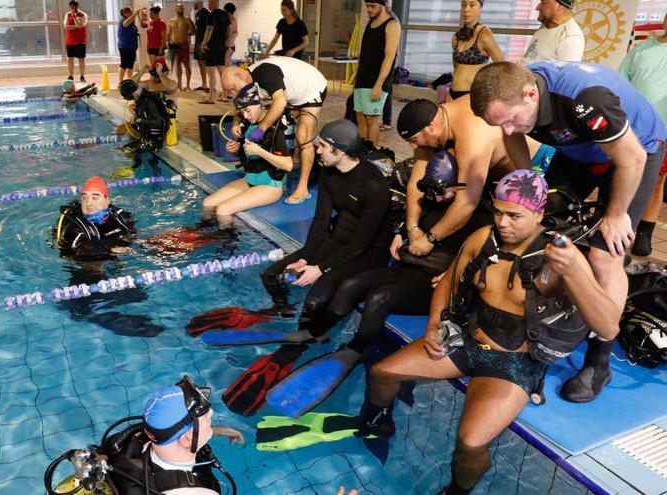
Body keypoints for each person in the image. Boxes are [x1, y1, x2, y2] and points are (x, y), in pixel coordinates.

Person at [361, 170, 620, 495]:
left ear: (539, 214)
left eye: (514, 215)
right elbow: (449, 282)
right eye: (498, 212)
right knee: (382, 373)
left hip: (515, 361)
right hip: (467, 341)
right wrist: (432, 326)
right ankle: (377, 423)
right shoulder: (484, 237)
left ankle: (459, 489)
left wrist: (574, 273)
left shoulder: (561, 256)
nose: (503, 222)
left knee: (470, 442)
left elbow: (609, 325)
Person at [470, 61, 667, 402]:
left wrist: (616, 214)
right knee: (541, 223)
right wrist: (529, 184)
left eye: (512, 119)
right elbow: (511, 134)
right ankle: (536, 316)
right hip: (580, 148)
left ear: (531, 94)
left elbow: (631, 158)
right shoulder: (513, 98)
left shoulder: (585, 100)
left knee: (605, 254)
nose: (509, 128)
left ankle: (599, 362)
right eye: (498, 123)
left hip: (635, 151)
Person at [261, 150, 494, 418]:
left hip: (433, 282)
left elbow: (486, 256)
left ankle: (355, 350)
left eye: (441, 193)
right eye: (430, 192)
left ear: (459, 187)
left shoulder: (478, 216)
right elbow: (403, 215)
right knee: (352, 284)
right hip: (411, 266)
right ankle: (315, 331)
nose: (435, 199)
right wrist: (399, 233)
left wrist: (457, 272)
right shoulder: (431, 198)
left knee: (379, 298)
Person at [208, 121, 394, 418]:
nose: (315, 150)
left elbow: (362, 242)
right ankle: (281, 313)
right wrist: (307, 257)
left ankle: (307, 341)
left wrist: (321, 267)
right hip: (337, 243)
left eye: (321, 146)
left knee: (316, 300)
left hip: (366, 253)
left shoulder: (374, 184)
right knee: (270, 274)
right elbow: (321, 223)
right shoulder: (330, 172)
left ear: (340, 150)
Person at [44, 376, 242, 495]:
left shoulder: (128, 441)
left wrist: (222, 431)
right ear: (186, 439)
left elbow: (183, 436)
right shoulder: (196, 492)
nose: (213, 415)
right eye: (208, 419)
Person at [395, 98, 516, 260]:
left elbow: (466, 203)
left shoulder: (472, 137)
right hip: (479, 169)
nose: (413, 147)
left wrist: (430, 239)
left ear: (431, 127)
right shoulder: (432, 122)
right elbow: (416, 183)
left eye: (413, 141)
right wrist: (412, 228)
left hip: (520, 171)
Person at [221, 57, 328, 205]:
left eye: (233, 88)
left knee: (302, 135)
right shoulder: (248, 84)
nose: (234, 93)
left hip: (311, 88)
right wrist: (235, 124)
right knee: (280, 123)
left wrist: (261, 128)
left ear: (240, 75)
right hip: (290, 94)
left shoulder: (265, 73)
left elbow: (280, 102)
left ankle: (302, 187)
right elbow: (242, 107)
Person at [202, 84, 292, 228]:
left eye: (248, 110)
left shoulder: (274, 129)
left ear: (260, 105)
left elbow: (288, 165)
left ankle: (227, 244)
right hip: (249, 179)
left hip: (270, 185)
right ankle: (202, 233)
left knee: (223, 210)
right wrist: (233, 149)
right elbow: (245, 156)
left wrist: (260, 151)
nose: (245, 115)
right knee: (208, 203)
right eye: (242, 112)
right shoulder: (246, 124)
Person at [619, 13, 667, 256]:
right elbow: (621, 80)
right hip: (630, 126)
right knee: (619, 173)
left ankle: (644, 232)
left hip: (663, 132)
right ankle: (614, 220)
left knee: (655, 182)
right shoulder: (642, 48)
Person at [353, 0, 400, 148]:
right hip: (363, 78)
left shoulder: (392, 25)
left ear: (383, 5)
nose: (369, 9)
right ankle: (362, 151)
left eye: (372, 6)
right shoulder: (370, 23)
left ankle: (371, 154)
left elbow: (389, 57)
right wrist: (357, 75)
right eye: (367, 6)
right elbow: (364, 52)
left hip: (377, 81)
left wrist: (378, 84)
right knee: (360, 117)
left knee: (371, 119)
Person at [52, 176, 135, 259]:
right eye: (84, 198)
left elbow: (131, 235)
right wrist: (113, 250)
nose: (88, 203)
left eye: (95, 198)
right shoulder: (75, 229)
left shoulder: (120, 216)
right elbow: (87, 257)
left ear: (107, 200)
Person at [449, 0, 503, 99]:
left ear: (480, 7)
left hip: (470, 95)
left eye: (472, 5)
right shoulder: (457, 36)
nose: (466, 9)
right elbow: (456, 68)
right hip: (451, 93)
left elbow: (501, 66)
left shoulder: (484, 34)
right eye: (463, 5)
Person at [119, 77, 176, 152]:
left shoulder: (149, 100)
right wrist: (135, 109)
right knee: (122, 149)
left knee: (128, 153)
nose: (132, 99)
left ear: (132, 93)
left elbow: (159, 121)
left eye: (130, 98)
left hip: (155, 141)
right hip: (146, 137)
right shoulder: (141, 96)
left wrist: (137, 120)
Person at [520, 0, 584, 64]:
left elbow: (566, 73)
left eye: (543, 3)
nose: (537, 7)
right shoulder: (544, 27)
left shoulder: (571, 37)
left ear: (559, 6)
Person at [199, 0, 230, 104]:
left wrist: (204, 43)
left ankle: (211, 97)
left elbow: (209, 29)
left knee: (211, 73)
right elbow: (229, 29)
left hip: (211, 47)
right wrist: (225, 40)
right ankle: (225, 95)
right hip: (221, 46)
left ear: (211, 3)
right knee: (222, 72)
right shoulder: (225, 14)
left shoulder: (211, 15)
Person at [166, 4, 194, 90]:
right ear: (176, 9)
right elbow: (168, 33)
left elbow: (193, 31)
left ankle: (188, 85)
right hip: (173, 45)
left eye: (182, 8)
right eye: (179, 8)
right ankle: (179, 84)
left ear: (183, 9)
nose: (180, 9)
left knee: (186, 65)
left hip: (184, 45)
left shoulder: (187, 20)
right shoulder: (171, 21)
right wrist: (166, 43)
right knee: (177, 65)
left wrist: (186, 34)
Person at [63, 0, 88, 82]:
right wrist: (76, 25)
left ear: (77, 6)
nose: (71, 9)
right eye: (70, 7)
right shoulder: (67, 14)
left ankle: (82, 75)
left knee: (81, 59)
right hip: (70, 40)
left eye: (73, 7)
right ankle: (71, 75)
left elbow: (81, 26)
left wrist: (74, 18)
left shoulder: (83, 15)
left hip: (81, 40)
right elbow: (66, 26)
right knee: (70, 59)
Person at [118, 6, 141, 82]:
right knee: (124, 65)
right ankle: (120, 82)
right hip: (124, 46)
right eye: (130, 12)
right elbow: (125, 24)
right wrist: (135, 13)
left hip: (132, 46)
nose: (131, 14)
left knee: (131, 65)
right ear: (126, 13)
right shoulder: (123, 20)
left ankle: (129, 81)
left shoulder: (131, 22)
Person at [192, 0, 210, 92]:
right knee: (200, 63)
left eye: (193, 2)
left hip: (203, 42)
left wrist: (205, 42)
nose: (192, 4)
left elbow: (209, 28)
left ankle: (209, 85)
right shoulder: (198, 13)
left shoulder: (205, 13)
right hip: (198, 41)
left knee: (205, 64)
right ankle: (204, 84)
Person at [223, 3, 238, 69]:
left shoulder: (230, 21)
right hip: (231, 46)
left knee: (225, 66)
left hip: (229, 47)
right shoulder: (234, 19)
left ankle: (226, 79)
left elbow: (229, 34)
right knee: (227, 65)